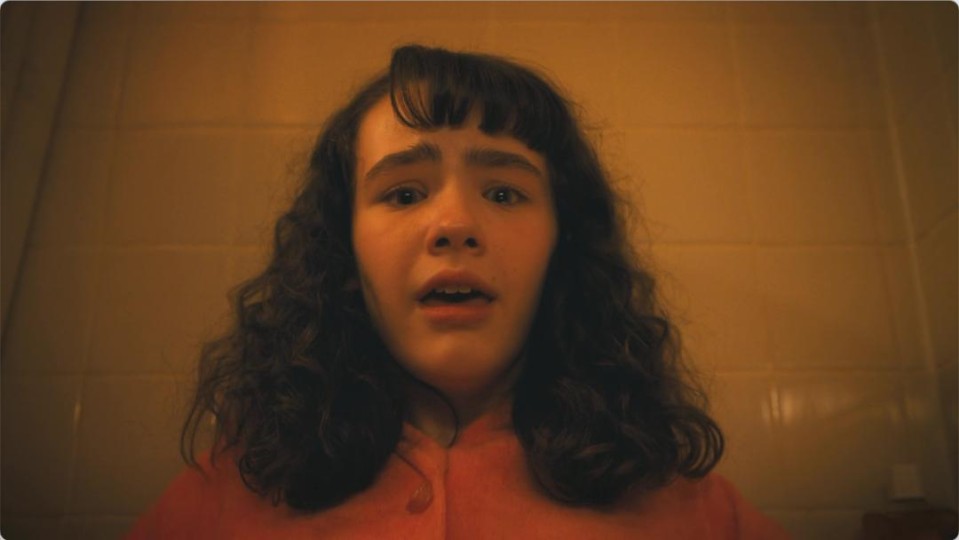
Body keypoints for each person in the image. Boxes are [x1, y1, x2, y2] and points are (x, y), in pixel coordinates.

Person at [127, 44, 790, 539]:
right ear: (343, 248)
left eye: (502, 193)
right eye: (403, 194)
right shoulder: (215, 506)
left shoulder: (698, 516)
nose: (454, 224)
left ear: (562, 244)